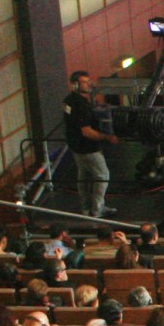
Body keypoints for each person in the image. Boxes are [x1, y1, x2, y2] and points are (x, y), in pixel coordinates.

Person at [61, 71, 112, 219]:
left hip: (75, 146)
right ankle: (97, 209)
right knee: (102, 175)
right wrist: (107, 137)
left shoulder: (67, 101)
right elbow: (87, 131)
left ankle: (85, 207)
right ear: (75, 85)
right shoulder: (81, 104)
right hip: (87, 147)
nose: (89, 84)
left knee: (83, 177)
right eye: (85, 82)